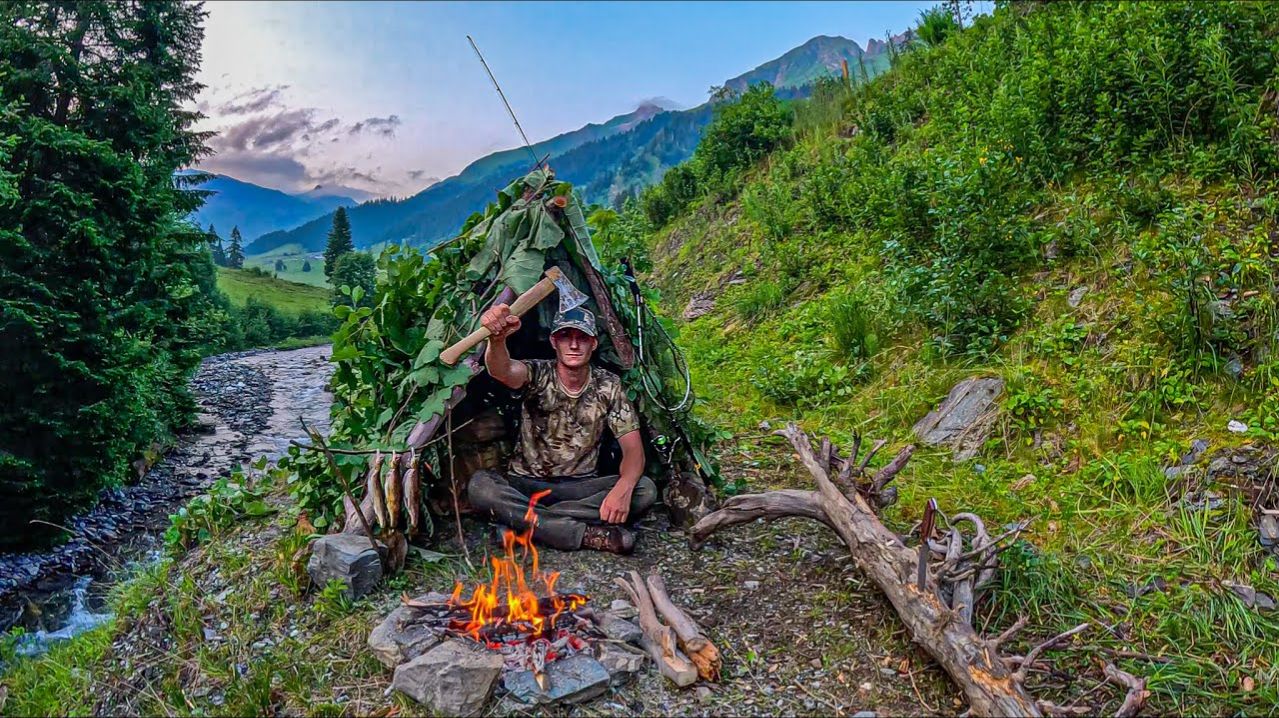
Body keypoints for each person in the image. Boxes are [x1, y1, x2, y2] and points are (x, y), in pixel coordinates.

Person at [466, 301, 655, 554]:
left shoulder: (608, 386)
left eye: (582, 338)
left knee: (643, 489)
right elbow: (503, 371)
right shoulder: (538, 373)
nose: (574, 345)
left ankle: (525, 523)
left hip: (580, 488)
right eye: (566, 337)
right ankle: (579, 533)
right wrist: (497, 340)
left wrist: (623, 488)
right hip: (525, 483)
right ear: (554, 342)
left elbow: (633, 450)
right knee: (480, 486)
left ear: (593, 344)